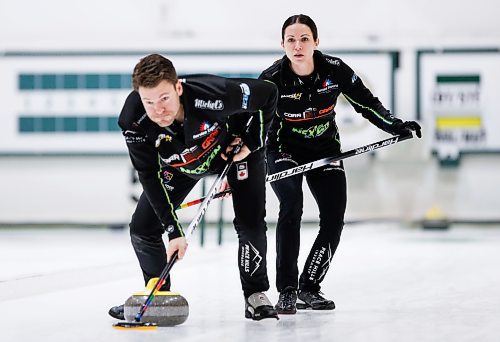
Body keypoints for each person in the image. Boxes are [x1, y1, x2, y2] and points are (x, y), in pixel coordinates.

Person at [259, 14, 421, 314]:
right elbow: (254, 127)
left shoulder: (334, 70)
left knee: (334, 216)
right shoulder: (271, 80)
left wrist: (396, 125)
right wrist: (245, 165)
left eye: (304, 39)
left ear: (316, 42)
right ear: (282, 44)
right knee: (291, 206)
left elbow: (366, 103)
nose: (298, 46)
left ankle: (309, 287)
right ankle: (287, 290)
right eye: (291, 40)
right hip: (283, 151)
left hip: (325, 149)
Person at [108, 53, 279, 321]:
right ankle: (159, 297)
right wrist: (173, 231)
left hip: (233, 154)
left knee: (250, 222)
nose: (158, 110)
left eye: (164, 99)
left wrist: (252, 142)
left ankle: (255, 295)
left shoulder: (212, 94)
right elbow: (149, 175)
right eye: (148, 101)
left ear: (178, 88)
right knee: (143, 228)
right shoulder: (133, 120)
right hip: (180, 166)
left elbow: (268, 93)